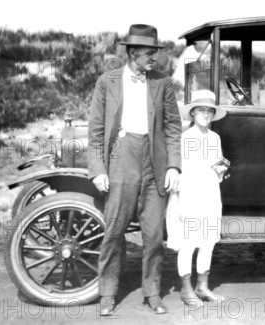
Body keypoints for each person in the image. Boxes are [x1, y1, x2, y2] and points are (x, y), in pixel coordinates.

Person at [88, 24, 182, 315]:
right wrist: (98, 169)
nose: (153, 58)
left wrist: (174, 166)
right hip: (120, 155)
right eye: (148, 53)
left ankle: (152, 293)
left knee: (154, 235)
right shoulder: (108, 82)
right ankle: (107, 293)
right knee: (114, 231)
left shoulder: (162, 83)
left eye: (155, 52)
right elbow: (96, 131)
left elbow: (173, 128)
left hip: (155, 162)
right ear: (131, 53)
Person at [166, 90, 228, 307]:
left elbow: (218, 164)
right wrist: (182, 202)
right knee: (188, 244)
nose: (206, 114)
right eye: (201, 110)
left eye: (210, 111)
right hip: (190, 197)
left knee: (207, 243)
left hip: (210, 195)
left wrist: (222, 169)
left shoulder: (215, 138)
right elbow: (180, 173)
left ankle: (202, 286)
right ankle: (186, 289)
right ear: (192, 113)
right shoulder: (184, 138)